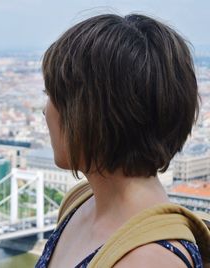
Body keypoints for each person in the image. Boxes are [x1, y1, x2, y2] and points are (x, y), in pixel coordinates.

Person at [36, 14, 210, 268]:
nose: (45, 111)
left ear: (91, 114)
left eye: (52, 95)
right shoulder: (80, 201)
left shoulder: (150, 260)